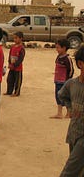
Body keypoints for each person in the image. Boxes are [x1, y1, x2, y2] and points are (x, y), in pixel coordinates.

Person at [59, 45, 84, 176]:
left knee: (69, 171)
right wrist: (69, 108)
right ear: (80, 64)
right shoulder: (71, 84)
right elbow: (62, 95)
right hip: (74, 131)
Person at [50, 39, 74, 119]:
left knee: (66, 97)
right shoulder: (58, 57)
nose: (56, 50)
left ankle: (68, 113)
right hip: (57, 80)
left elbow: (71, 70)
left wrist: (68, 80)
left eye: (58, 48)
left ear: (64, 48)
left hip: (64, 82)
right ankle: (59, 113)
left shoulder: (68, 59)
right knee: (58, 96)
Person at [4, 31, 25, 97]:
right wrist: (9, 63)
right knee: (9, 80)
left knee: (17, 81)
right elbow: (10, 56)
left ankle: (17, 92)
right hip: (11, 67)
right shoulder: (12, 47)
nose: (14, 40)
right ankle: (9, 91)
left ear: (21, 38)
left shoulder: (21, 48)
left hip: (18, 68)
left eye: (16, 38)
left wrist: (14, 65)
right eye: (14, 38)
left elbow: (20, 59)